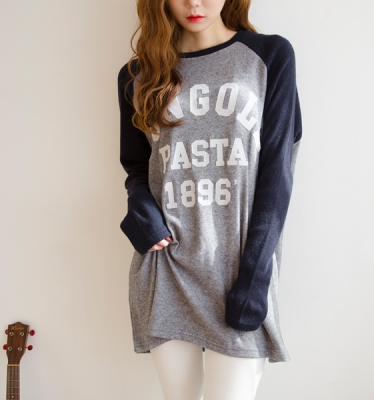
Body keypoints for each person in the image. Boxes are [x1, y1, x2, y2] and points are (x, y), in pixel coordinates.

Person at [117, 0, 302, 398]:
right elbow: (136, 167)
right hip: (167, 266)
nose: (194, 3)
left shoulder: (270, 56)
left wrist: (254, 277)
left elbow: (278, 173)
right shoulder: (137, 75)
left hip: (239, 270)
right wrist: (141, 209)